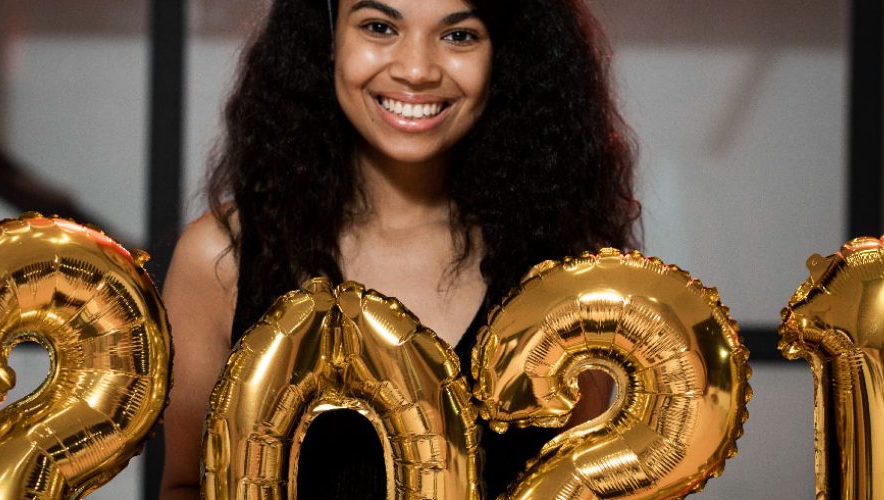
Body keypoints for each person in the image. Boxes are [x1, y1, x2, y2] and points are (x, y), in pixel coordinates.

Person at [159, 0, 639, 497]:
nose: (416, 70)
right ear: (326, 38)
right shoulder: (221, 257)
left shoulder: (569, 270)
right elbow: (185, 485)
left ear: (508, 55)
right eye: (379, 27)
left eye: (459, 36)